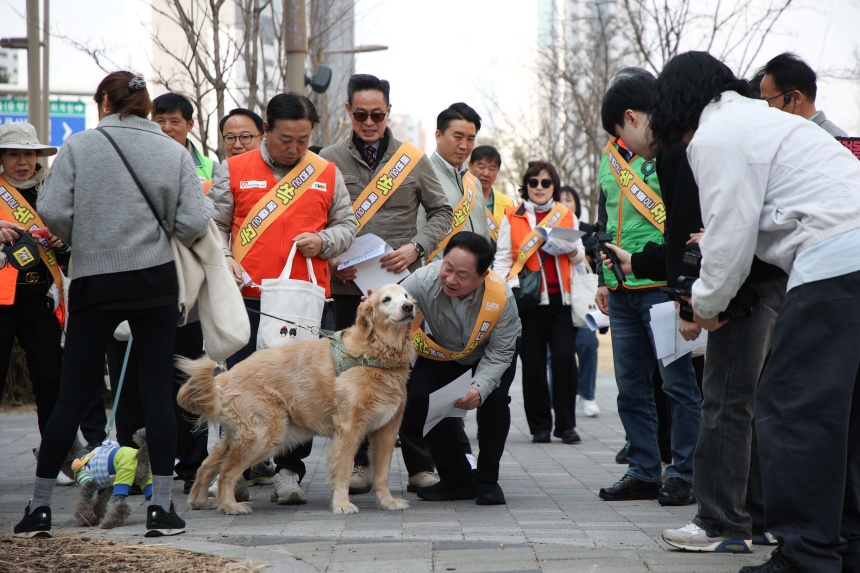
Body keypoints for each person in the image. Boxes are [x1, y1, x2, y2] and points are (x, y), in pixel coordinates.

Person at [649, 50, 860, 573]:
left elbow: (729, 236)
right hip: (849, 256)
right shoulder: (764, 120)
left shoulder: (718, 134)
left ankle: (806, 555)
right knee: (843, 417)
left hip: (834, 259)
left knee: (790, 409)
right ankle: (848, 545)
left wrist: (703, 306)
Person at [14, 71, 213, 538]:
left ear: (104, 101)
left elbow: (53, 209)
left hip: (95, 279)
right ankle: (160, 508)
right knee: (156, 391)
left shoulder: (80, 147)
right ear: (146, 105)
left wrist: (89, 235)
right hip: (154, 280)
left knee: (73, 394)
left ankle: (40, 507)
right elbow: (192, 222)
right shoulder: (171, 150)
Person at [208, 92, 357, 506]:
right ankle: (232, 470)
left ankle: (289, 473)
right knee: (240, 386)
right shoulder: (234, 168)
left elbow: (348, 225)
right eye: (286, 139)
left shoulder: (325, 172)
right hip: (247, 298)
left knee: (303, 390)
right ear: (266, 131)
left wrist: (323, 240)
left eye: (303, 139)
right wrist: (224, 258)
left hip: (304, 300)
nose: (294, 148)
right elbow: (214, 224)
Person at [320, 73, 453, 495]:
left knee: (406, 376)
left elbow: (443, 213)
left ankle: (418, 463)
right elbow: (317, 222)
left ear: (389, 112)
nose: (370, 122)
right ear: (348, 112)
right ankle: (357, 464)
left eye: (377, 114)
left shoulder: (414, 160)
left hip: (402, 292)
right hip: (350, 290)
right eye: (361, 115)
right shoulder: (327, 158)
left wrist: (416, 248)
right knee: (353, 377)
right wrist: (331, 259)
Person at [594, 68, 701, 506]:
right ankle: (642, 469)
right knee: (631, 386)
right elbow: (604, 220)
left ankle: (683, 473)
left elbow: (684, 218)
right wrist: (603, 279)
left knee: (677, 385)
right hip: (621, 286)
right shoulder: (608, 157)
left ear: (633, 115)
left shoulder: (672, 153)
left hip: (661, 284)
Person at [401, 231, 521, 504]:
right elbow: (394, 303)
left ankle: (488, 480)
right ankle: (457, 479)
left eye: (463, 275)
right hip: (445, 351)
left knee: (495, 401)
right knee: (419, 397)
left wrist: (479, 388)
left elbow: (501, 353)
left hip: (490, 354)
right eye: (448, 268)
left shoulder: (502, 298)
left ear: (482, 276)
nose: (451, 279)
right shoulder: (422, 281)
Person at [494, 161, 585, 444]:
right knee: (532, 365)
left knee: (564, 361)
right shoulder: (513, 216)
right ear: (526, 186)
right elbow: (504, 258)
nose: (539, 188)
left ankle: (566, 424)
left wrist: (570, 249)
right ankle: (540, 426)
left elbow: (580, 256)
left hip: (563, 301)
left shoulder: (566, 214)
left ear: (554, 185)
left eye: (545, 183)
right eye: (533, 182)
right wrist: (499, 293)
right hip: (529, 302)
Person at [0, 123, 66, 443]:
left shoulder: (52, 190)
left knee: (50, 378)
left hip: (42, 296)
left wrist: (62, 241)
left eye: (28, 153)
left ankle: (55, 455)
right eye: (14, 154)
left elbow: (72, 239)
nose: (23, 161)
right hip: (2, 298)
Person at [419, 102, 490, 260]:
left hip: (477, 279)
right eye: (457, 137)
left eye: (470, 139)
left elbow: (485, 235)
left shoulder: (474, 183)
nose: (464, 146)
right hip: (439, 279)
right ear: (438, 136)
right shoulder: (421, 176)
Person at [559, 185, 600, 418]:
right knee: (556, 353)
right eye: (561, 199)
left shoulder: (586, 230)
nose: (565, 204)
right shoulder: (546, 228)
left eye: (569, 199)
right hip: (558, 298)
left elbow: (596, 251)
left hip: (583, 298)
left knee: (587, 344)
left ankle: (587, 396)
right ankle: (563, 395)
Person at [757, 52, 847, 137]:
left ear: (796, 97)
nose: (765, 109)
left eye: (767, 102)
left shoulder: (837, 143)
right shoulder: (783, 137)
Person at [151, 92, 216, 182]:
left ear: (189, 125)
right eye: (160, 121)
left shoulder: (212, 169)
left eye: (174, 122)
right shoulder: (140, 162)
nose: (167, 128)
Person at [468, 145, 514, 247]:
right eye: (481, 167)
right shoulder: (461, 197)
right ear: (470, 166)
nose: (486, 173)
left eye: (492, 168)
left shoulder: (507, 204)